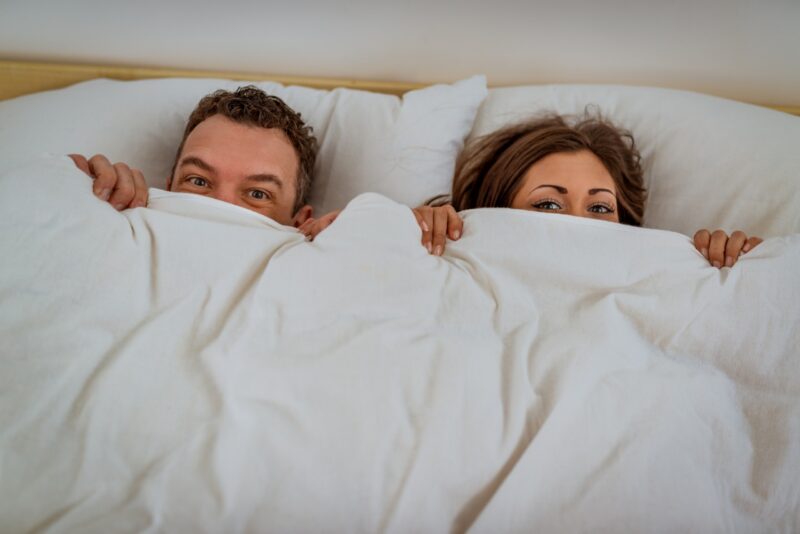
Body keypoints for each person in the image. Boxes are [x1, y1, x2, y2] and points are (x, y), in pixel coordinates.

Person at [70, 85, 454, 249]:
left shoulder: (312, 257)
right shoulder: (120, 224)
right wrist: (73, 189)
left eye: (257, 194)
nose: (220, 209)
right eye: (199, 181)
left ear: (299, 220)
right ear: (166, 187)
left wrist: (397, 232)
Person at [396, 113, 763, 268]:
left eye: (601, 209)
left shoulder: (660, 278)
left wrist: (743, 268)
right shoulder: (450, 253)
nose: (577, 223)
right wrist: (403, 235)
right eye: (549, 204)